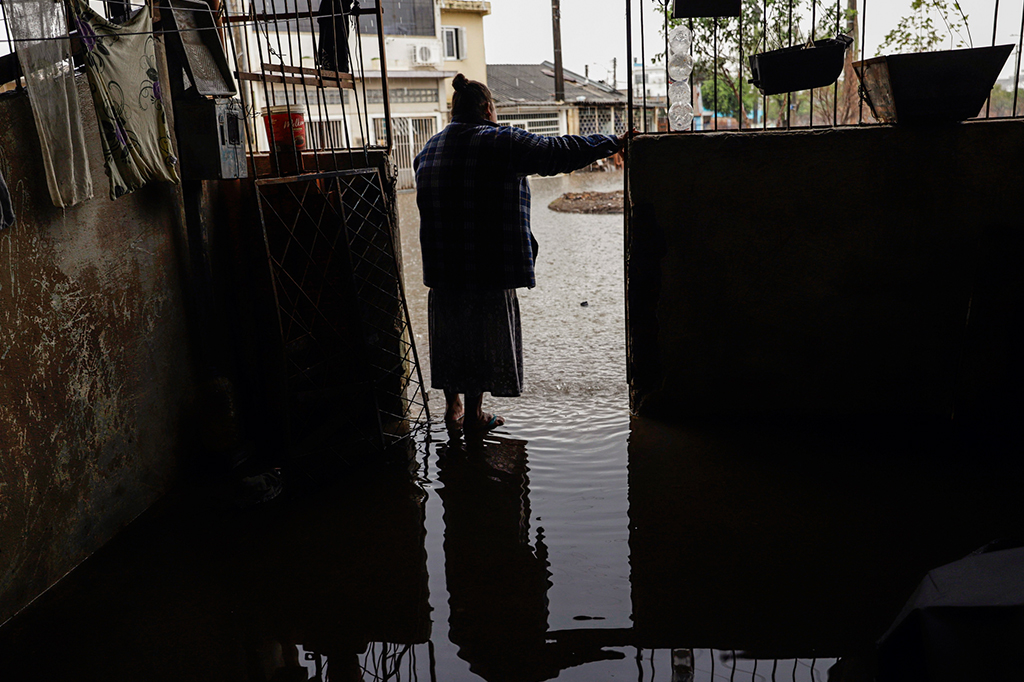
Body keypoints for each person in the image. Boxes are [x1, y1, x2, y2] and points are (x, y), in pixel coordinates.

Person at [415, 73, 626, 433]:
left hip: (442, 269)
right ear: (488, 109)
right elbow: (558, 152)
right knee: (483, 335)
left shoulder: (428, 150)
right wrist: (612, 142)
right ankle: (474, 415)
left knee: (450, 333)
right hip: (488, 266)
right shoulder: (501, 141)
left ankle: (453, 409)